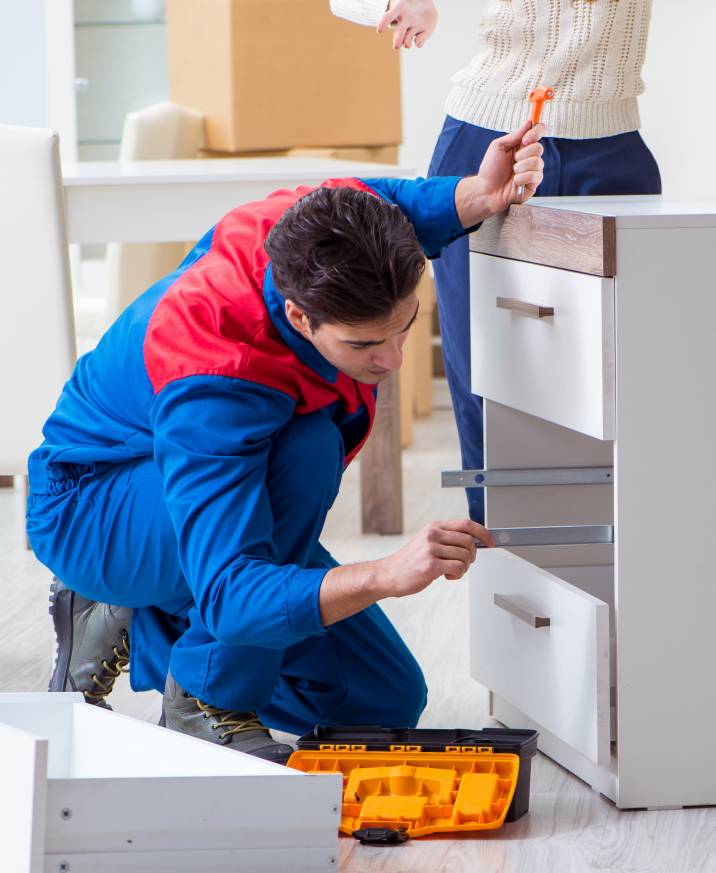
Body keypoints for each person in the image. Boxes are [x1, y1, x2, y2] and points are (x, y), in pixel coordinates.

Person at [28, 121, 545, 763]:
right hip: (93, 506)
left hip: (179, 486)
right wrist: (386, 572)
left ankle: (141, 608)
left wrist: (476, 194)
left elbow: (393, 205)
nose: (392, 361)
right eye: (363, 344)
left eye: (404, 328)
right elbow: (234, 593)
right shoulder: (214, 377)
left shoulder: (314, 228)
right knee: (306, 451)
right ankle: (201, 695)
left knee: (380, 699)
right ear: (300, 316)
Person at [332, 0, 661, 523]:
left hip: (612, 148)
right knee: (485, 369)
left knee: (623, 373)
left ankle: (620, 557)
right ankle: (502, 560)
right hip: (488, 137)